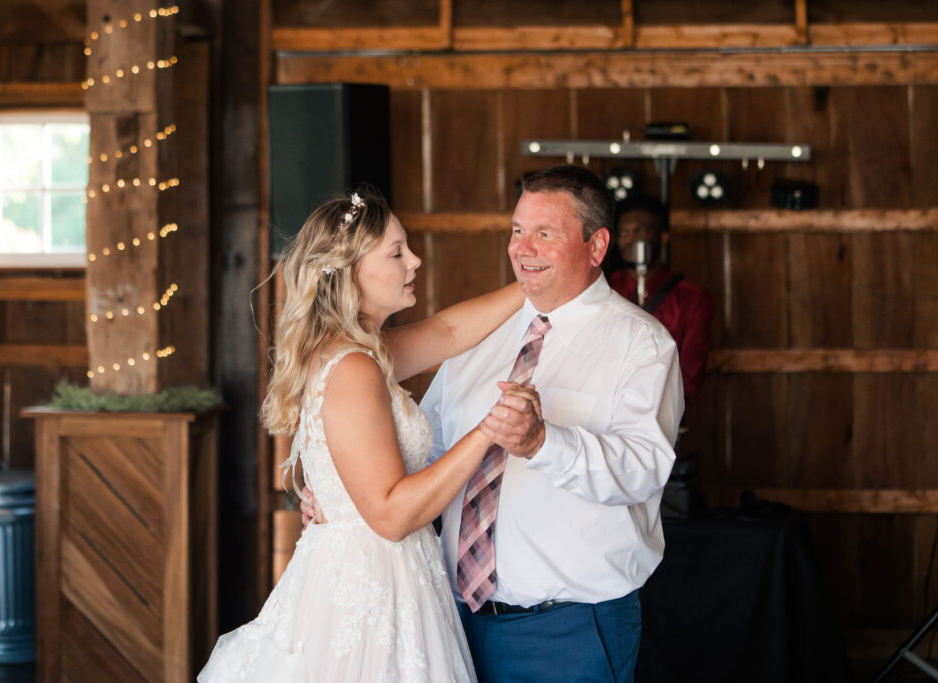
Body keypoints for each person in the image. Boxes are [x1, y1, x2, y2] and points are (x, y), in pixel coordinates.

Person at [198, 188, 528, 682]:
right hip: (372, 588)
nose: (414, 260)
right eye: (396, 252)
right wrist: (488, 432)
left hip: (386, 578)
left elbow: (449, 332)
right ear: (349, 271)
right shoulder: (353, 367)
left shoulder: (364, 351)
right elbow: (392, 515)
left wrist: (538, 285)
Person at [419, 165, 684, 682]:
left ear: (597, 244)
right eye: (518, 230)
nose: (523, 248)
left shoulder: (643, 344)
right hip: (451, 622)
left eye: (545, 233)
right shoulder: (479, 334)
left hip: (568, 631)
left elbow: (642, 470)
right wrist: (349, 494)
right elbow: (426, 447)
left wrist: (542, 441)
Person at [604, 192, 712, 397]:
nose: (630, 239)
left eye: (640, 231)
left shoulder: (691, 297)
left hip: (663, 413)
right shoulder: (603, 289)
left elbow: (689, 377)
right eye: (623, 233)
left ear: (662, 238)